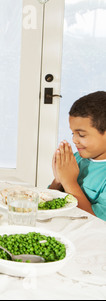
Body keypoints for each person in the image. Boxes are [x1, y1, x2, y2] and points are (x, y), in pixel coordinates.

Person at [49, 91, 106, 219]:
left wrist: (69, 182)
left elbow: (97, 221)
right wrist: (58, 181)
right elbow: (47, 200)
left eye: (81, 135)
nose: (74, 140)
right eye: (72, 133)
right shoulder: (76, 158)